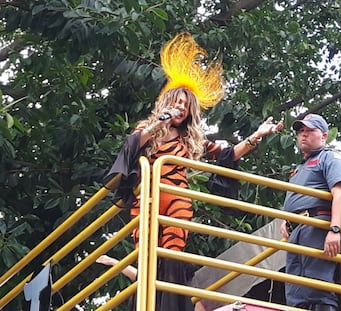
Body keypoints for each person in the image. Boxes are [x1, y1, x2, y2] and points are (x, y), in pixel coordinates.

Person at [104, 32, 283, 311]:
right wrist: (158, 124)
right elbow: (132, 145)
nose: (180, 109)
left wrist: (256, 136)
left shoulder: (192, 139)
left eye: (185, 106)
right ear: (166, 103)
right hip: (148, 198)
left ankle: (172, 307)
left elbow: (227, 155)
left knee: (174, 252)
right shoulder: (147, 128)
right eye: (176, 103)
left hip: (176, 197)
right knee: (146, 253)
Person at [279, 113, 341, 311]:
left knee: (318, 288)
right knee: (296, 293)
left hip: (317, 225)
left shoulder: (330, 157)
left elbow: (340, 193)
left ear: (324, 136)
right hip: (297, 230)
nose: (303, 135)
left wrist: (335, 229)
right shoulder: (298, 168)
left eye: (310, 130)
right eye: (301, 131)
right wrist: (287, 219)